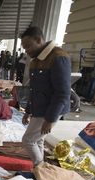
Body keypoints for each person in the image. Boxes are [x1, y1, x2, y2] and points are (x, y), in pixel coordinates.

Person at [20, 26, 71, 165]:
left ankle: (40, 168)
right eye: (25, 48)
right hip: (40, 106)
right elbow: (34, 89)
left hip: (50, 108)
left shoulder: (59, 57)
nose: (27, 51)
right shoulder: (36, 59)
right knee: (38, 139)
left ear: (39, 40)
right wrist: (28, 111)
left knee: (28, 140)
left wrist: (50, 119)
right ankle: (41, 166)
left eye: (29, 46)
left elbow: (62, 93)